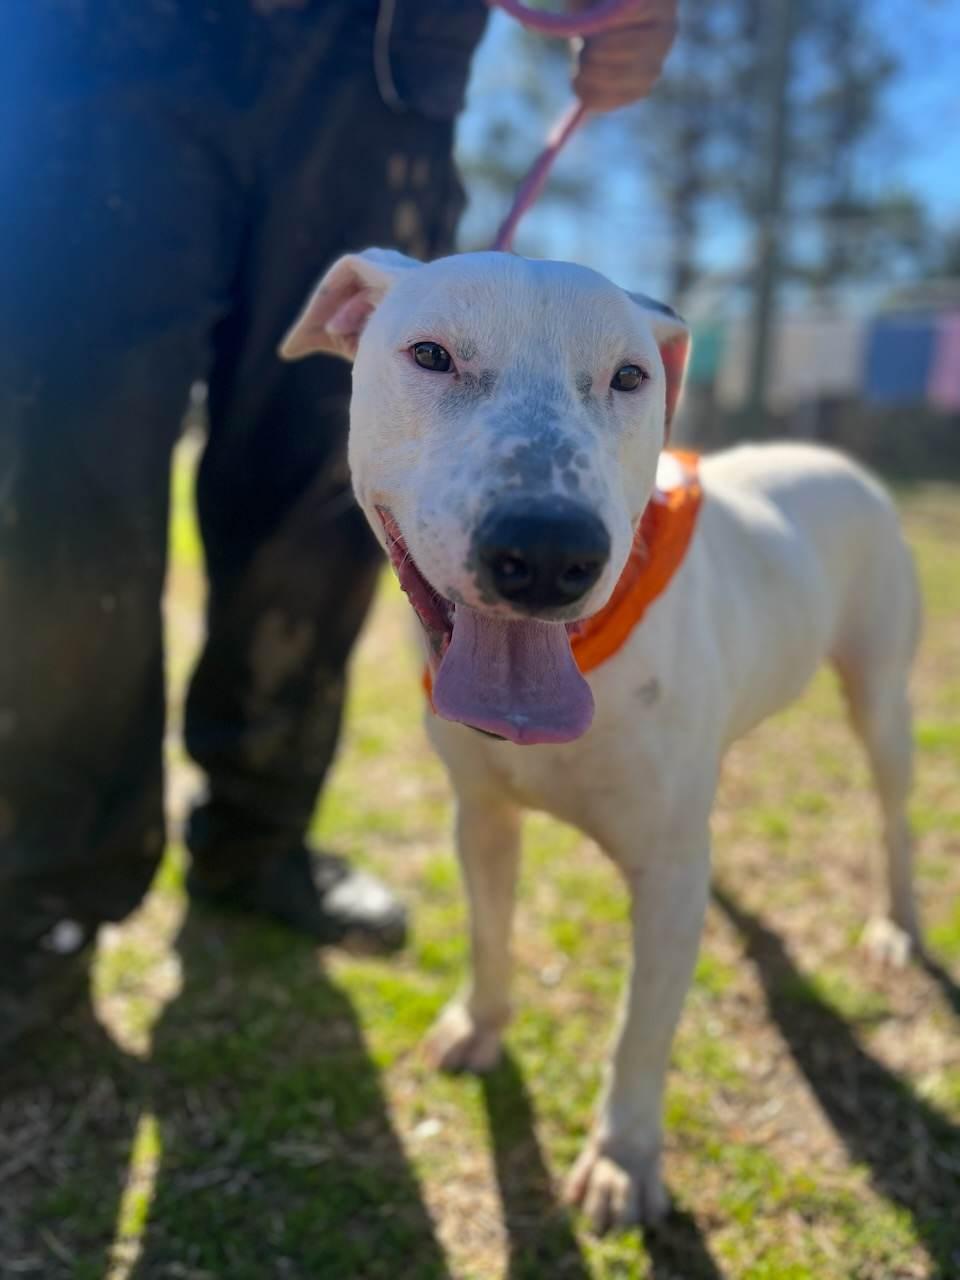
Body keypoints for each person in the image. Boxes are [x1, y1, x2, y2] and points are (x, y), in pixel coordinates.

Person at [0, 0, 677, 1048]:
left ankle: (258, 835)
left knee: (320, 478)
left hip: (379, 63)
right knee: (64, 471)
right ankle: (45, 883)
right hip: (103, 45)